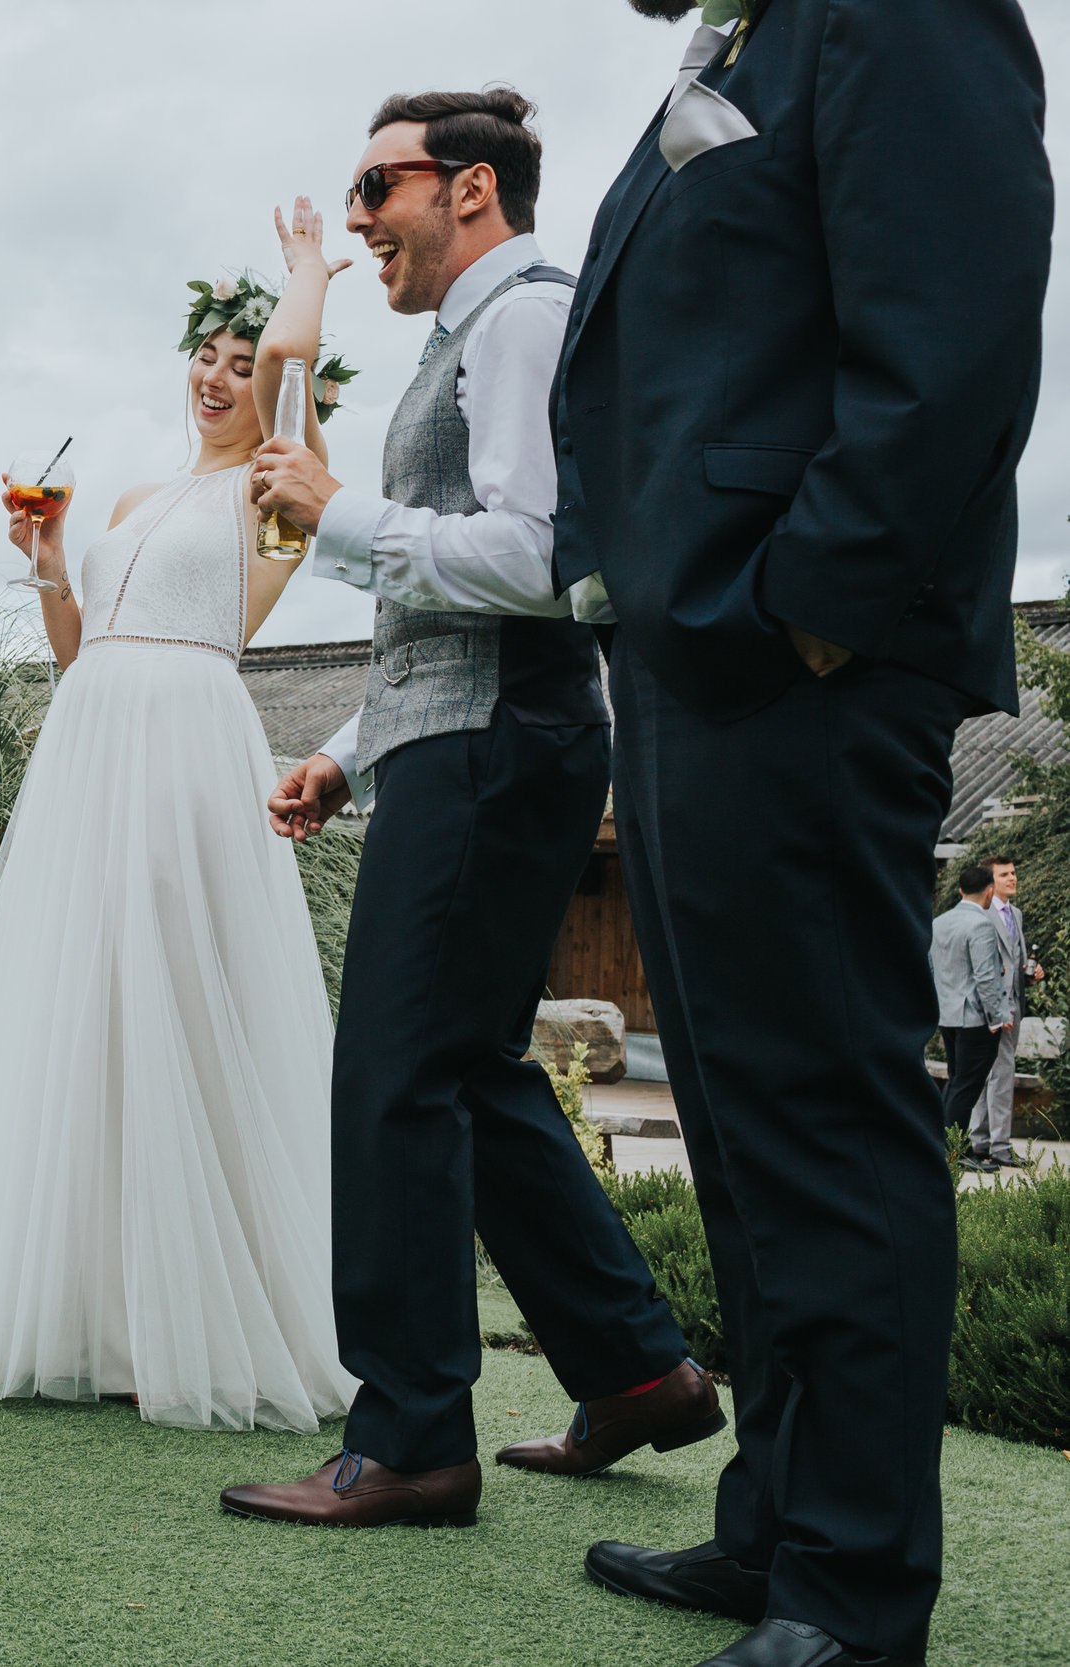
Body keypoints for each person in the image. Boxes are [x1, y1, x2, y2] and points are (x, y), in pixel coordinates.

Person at [546, 2, 1049, 1662]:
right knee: (745, 1116)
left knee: (825, 1109)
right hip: (699, 652)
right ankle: (776, 1523)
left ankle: (851, 1581)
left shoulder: (902, 9)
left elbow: (959, 327)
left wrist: (813, 609)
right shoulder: (735, 44)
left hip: (806, 655)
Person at [222, 92, 713, 1533]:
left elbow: (545, 557)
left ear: (472, 187)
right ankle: (634, 1369)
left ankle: (413, 1437)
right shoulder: (464, 336)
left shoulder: (520, 320)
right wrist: (358, 752)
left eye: (380, 185)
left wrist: (335, 517)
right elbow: (465, 606)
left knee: (392, 1075)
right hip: (477, 735)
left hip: (507, 740)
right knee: (472, 1068)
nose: (362, 214)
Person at [0, 203, 357, 1432]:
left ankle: (193, 1316)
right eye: (205, 357)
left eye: (237, 358)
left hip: (183, 749)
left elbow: (289, 372)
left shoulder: (279, 496)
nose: (219, 375)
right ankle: (87, 1305)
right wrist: (53, 560)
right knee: (86, 1006)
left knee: (176, 991)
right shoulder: (130, 496)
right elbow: (74, 653)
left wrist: (305, 276)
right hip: (91, 745)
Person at [931, 866, 1011, 1149]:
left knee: (956, 1083)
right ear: (989, 891)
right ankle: (955, 1151)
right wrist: (996, 1018)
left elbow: (933, 968)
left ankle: (945, 1147)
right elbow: (986, 977)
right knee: (966, 1088)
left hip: (947, 1015)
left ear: (961, 890)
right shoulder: (981, 925)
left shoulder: (939, 922)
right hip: (975, 1019)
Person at [976, 856, 1041, 1170]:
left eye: (1014, 872)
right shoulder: (981, 914)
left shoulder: (1016, 913)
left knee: (997, 1075)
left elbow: (1015, 962)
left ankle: (980, 1142)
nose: (1012, 878)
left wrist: (1030, 973)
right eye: (1004, 874)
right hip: (993, 1009)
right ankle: (997, 1147)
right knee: (999, 1076)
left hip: (1014, 1005)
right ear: (990, 881)